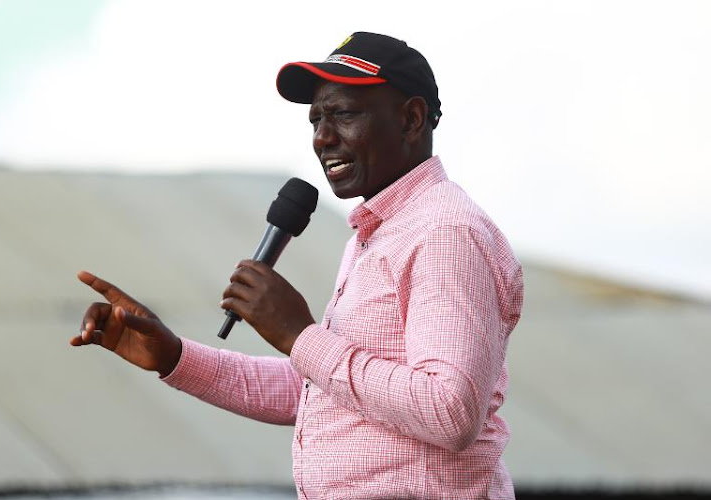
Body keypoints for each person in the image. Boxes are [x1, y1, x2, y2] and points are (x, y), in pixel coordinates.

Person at [72, 32, 524, 499]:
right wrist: (174, 357)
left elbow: (449, 412)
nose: (323, 138)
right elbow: (325, 390)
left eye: (344, 114)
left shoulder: (444, 233)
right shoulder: (382, 234)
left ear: (410, 119)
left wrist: (300, 336)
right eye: (316, 120)